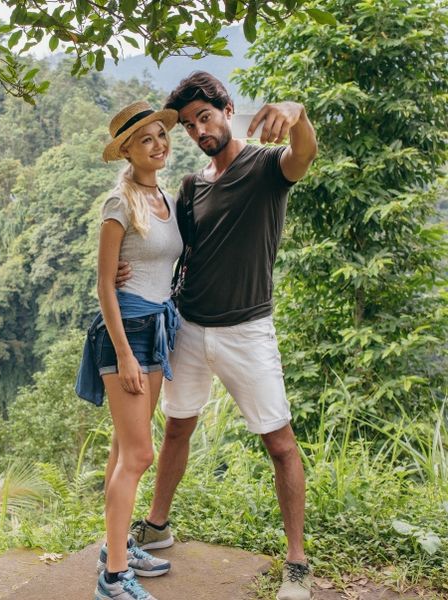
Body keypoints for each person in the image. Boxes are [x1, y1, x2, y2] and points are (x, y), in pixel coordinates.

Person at [120, 72, 318, 600]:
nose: (197, 130)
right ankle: (158, 526)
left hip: (248, 329)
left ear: (228, 110)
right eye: (187, 125)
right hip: (189, 325)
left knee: (278, 442)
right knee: (178, 428)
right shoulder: (192, 186)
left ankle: (296, 563)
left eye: (204, 117)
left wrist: (296, 111)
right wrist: (125, 268)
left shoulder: (265, 166)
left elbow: (304, 154)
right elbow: (170, 248)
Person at [75, 101, 184, 600]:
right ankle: (114, 579)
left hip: (158, 325)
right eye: (146, 139)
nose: (159, 143)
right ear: (126, 150)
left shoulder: (162, 196)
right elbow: (104, 283)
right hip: (128, 334)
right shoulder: (118, 203)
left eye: (161, 135)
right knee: (139, 453)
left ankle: (114, 548)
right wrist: (122, 353)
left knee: (124, 450)